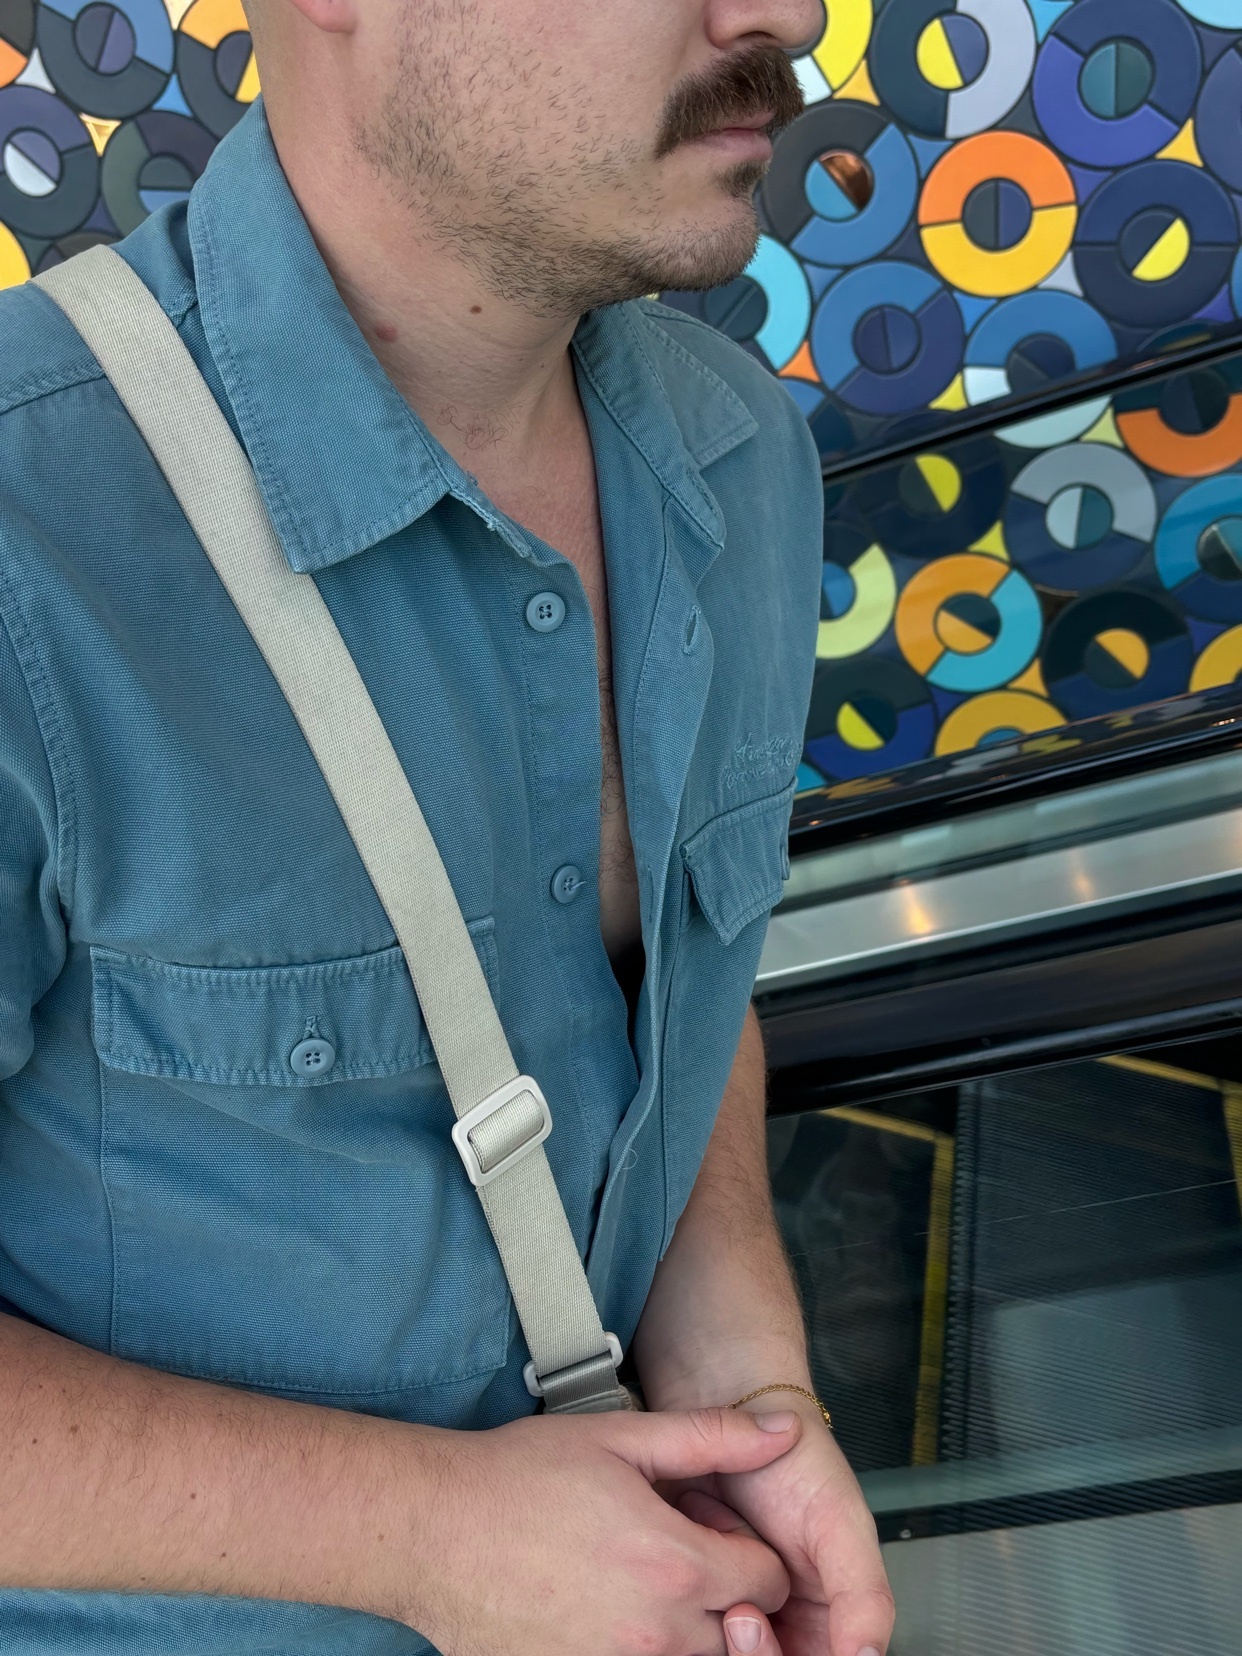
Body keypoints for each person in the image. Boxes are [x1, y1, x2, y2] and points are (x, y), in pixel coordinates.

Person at [0, 1, 896, 1652]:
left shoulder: (737, 453)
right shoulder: (30, 537)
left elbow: (672, 997)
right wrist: (422, 1533)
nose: (780, 16)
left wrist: (745, 1387)